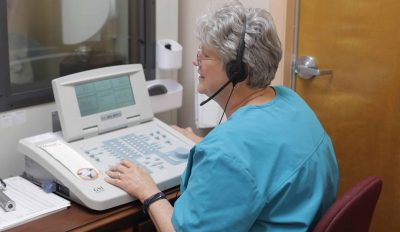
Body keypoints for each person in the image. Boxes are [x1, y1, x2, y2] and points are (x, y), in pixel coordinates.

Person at [105, 1, 339, 231]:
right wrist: (206, 145)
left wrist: (147, 190)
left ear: (238, 71)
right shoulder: (292, 101)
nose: (195, 62)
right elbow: (265, 158)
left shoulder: (227, 153)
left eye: (205, 55)